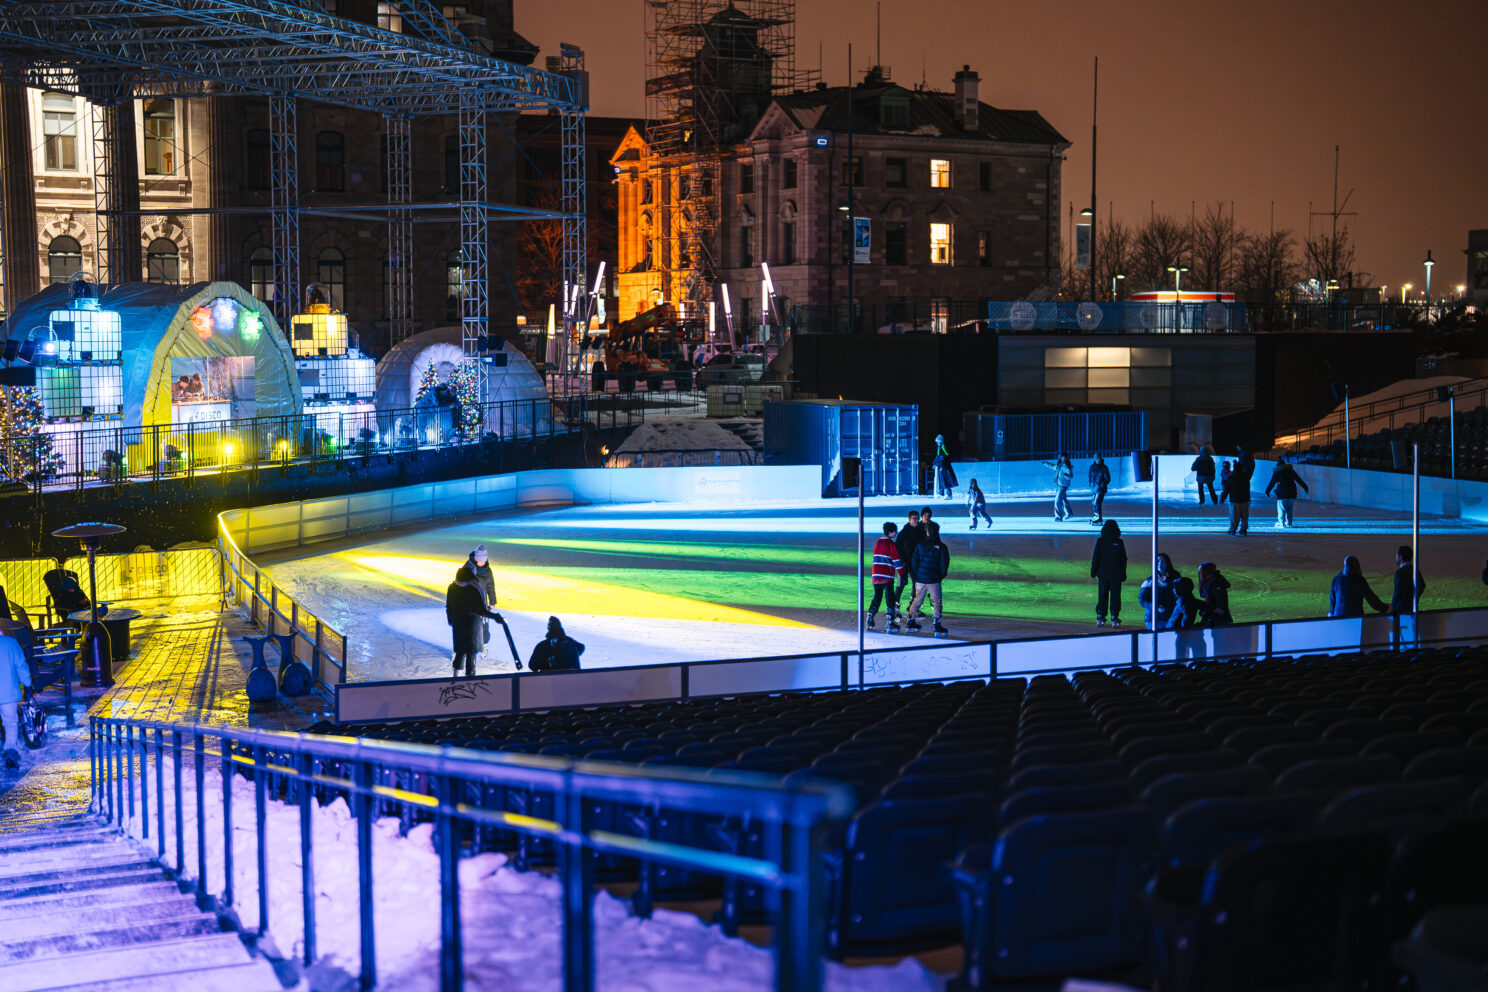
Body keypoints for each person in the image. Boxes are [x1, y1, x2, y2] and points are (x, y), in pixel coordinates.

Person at [445, 566, 502, 677]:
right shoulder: (473, 588)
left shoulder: (452, 588)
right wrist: (494, 617)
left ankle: (456, 678)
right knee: (471, 655)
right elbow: (480, 609)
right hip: (473, 627)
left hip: (459, 626)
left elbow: (449, 607)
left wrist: (451, 620)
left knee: (460, 653)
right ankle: (470, 680)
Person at [907, 521, 950, 636]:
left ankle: (911, 622)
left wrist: (918, 574)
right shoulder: (941, 547)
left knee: (917, 601)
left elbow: (914, 561)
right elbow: (944, 564)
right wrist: (940, 576)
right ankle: (937, 625)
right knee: (936, 602)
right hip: (934, 579)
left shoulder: (920, 545)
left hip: (921, 579)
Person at [0, 629, 30, 769]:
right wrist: (27, 682)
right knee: (10, 723)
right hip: (7, 692)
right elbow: (20, 665)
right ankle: (10, 752)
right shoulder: (11, 643)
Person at [867, 522, 906, 631]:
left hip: (876, 575)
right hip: (887, 575)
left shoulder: (878, 542)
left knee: (877, 597)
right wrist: (902, 572)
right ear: (890, 532)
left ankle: (870, 617)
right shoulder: (890, 544)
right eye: (895, 531)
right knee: (890, 598)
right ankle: (890, 621)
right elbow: (896, 560)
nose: (896, 533)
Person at [1090, 519, 1127, 627]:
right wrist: (1123, 573)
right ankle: (1114, 617)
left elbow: (1096, 557)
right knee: (1115, 596)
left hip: (1103, 574)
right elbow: (1123, 559)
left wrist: (1093, 571)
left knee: (1103, 595)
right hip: (1115, 575)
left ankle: (1100, 616)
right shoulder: (1119, 542)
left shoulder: (1101, 541)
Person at [464, 545, 498, 655]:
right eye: (480, 560)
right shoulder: (468, 568)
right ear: (476, 559)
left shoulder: (488, 570)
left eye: (484, 560)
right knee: (469, 626)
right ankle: (465, 648)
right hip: (469, 603)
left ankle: (484, 645)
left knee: (484, 626)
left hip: (483, 603)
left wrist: (492, 601)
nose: (482, 562)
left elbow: (491, 586)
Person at [1138, 552, 1182, 629]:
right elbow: (1141, 599)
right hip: (1152, 619)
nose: (1160, 563)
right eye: (1158, 561)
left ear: (1167, 564)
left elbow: (1178, 596)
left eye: (1163, 561)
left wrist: (1169, 581)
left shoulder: (1173, 580)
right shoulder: (1149, 582)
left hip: (1169, 618)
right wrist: (1154, 606)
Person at [1265, 456, 1310, 528]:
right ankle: (1289, 523)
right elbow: (1298, 479)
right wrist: (1305, 488)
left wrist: (1267, 491)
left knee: (1281, 509)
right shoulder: (1290, 470)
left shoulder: (1278, 471)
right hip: (1292, 493)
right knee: (1289, 509)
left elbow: (1272, 482)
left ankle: (1281, 523)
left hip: (1282, 494)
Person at [1388, 545, 1426, 615]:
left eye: (1396, 555)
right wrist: (1414, 598)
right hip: (1412, 608)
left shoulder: (1400, 572)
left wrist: (1392, 606)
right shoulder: (1415, 570)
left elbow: (1398, 592)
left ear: (1400, 557)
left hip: (1400, 610)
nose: (1395, 557)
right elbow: (1422, 586)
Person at [1226, 447, 1254, 536]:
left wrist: (1222, 498)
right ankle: (1243, 529)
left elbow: (1227, 489)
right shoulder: (1246, 478)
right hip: (1245, 499)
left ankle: (1233, 529)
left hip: (1235, 500)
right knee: (1244, 516)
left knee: (1234, 516)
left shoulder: (1231, 478)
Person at [896, 510, 923, 602]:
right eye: (914, 519)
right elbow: (897, 548)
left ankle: (913, 604)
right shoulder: (903, 533)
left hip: (916, 563)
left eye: (917, 518)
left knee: (916, 583)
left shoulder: (921, 532)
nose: (916, 520)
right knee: (901, 583)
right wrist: (903, 561)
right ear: (909, 519)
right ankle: (896, 604)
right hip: (904, 563)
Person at [1195, 561, 1234, 625]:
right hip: (1217, 619)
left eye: (1201, 572)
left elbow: (1220, 604)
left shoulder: (1216, 584)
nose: (1200, 574)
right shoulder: (1210, 583)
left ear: (1206, 572)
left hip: (1220, 621)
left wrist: (1211, 616)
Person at [1045, 452, 1074, 521]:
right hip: (1059, 485)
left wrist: (1067, 476)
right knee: (1063, 500)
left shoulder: (1066, 465)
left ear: (1067, 458)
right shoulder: (1059, 465)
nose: (1063, 458)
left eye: (1065, 457)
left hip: (1063, 486)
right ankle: (1069, 513)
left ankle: (1058, 516)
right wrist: (1046, 463)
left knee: (1057, 500)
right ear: (1061, 458)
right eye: (1062, 457)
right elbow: (1053, 467)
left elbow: (1070, 475)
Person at [932, 435, 956, 500]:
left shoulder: (943, 446)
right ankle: (941, 492)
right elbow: (938, 456)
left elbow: (946, 455)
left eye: (938, 442)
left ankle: (949, 494)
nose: (937, 443)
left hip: (945, 466)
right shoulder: (939, 447)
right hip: (941, 465)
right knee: (941, 479)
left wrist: (942, 449)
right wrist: (935, 463)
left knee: (946, 479)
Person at [1088, 454, 1111, 523]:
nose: (1099, 459)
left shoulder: (1104, 468)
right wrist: (1091, 484)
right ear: (1095, 459)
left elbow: (1108, 478)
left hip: (1101, 489)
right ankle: (1096, 516)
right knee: (1094, 502)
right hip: (1094, 488)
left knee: (1097, 502)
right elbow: (1090, 476)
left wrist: (1102, 485)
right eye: (1097, 458)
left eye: (1099, 458)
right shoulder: (1092, 467)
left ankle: (1098, 517)